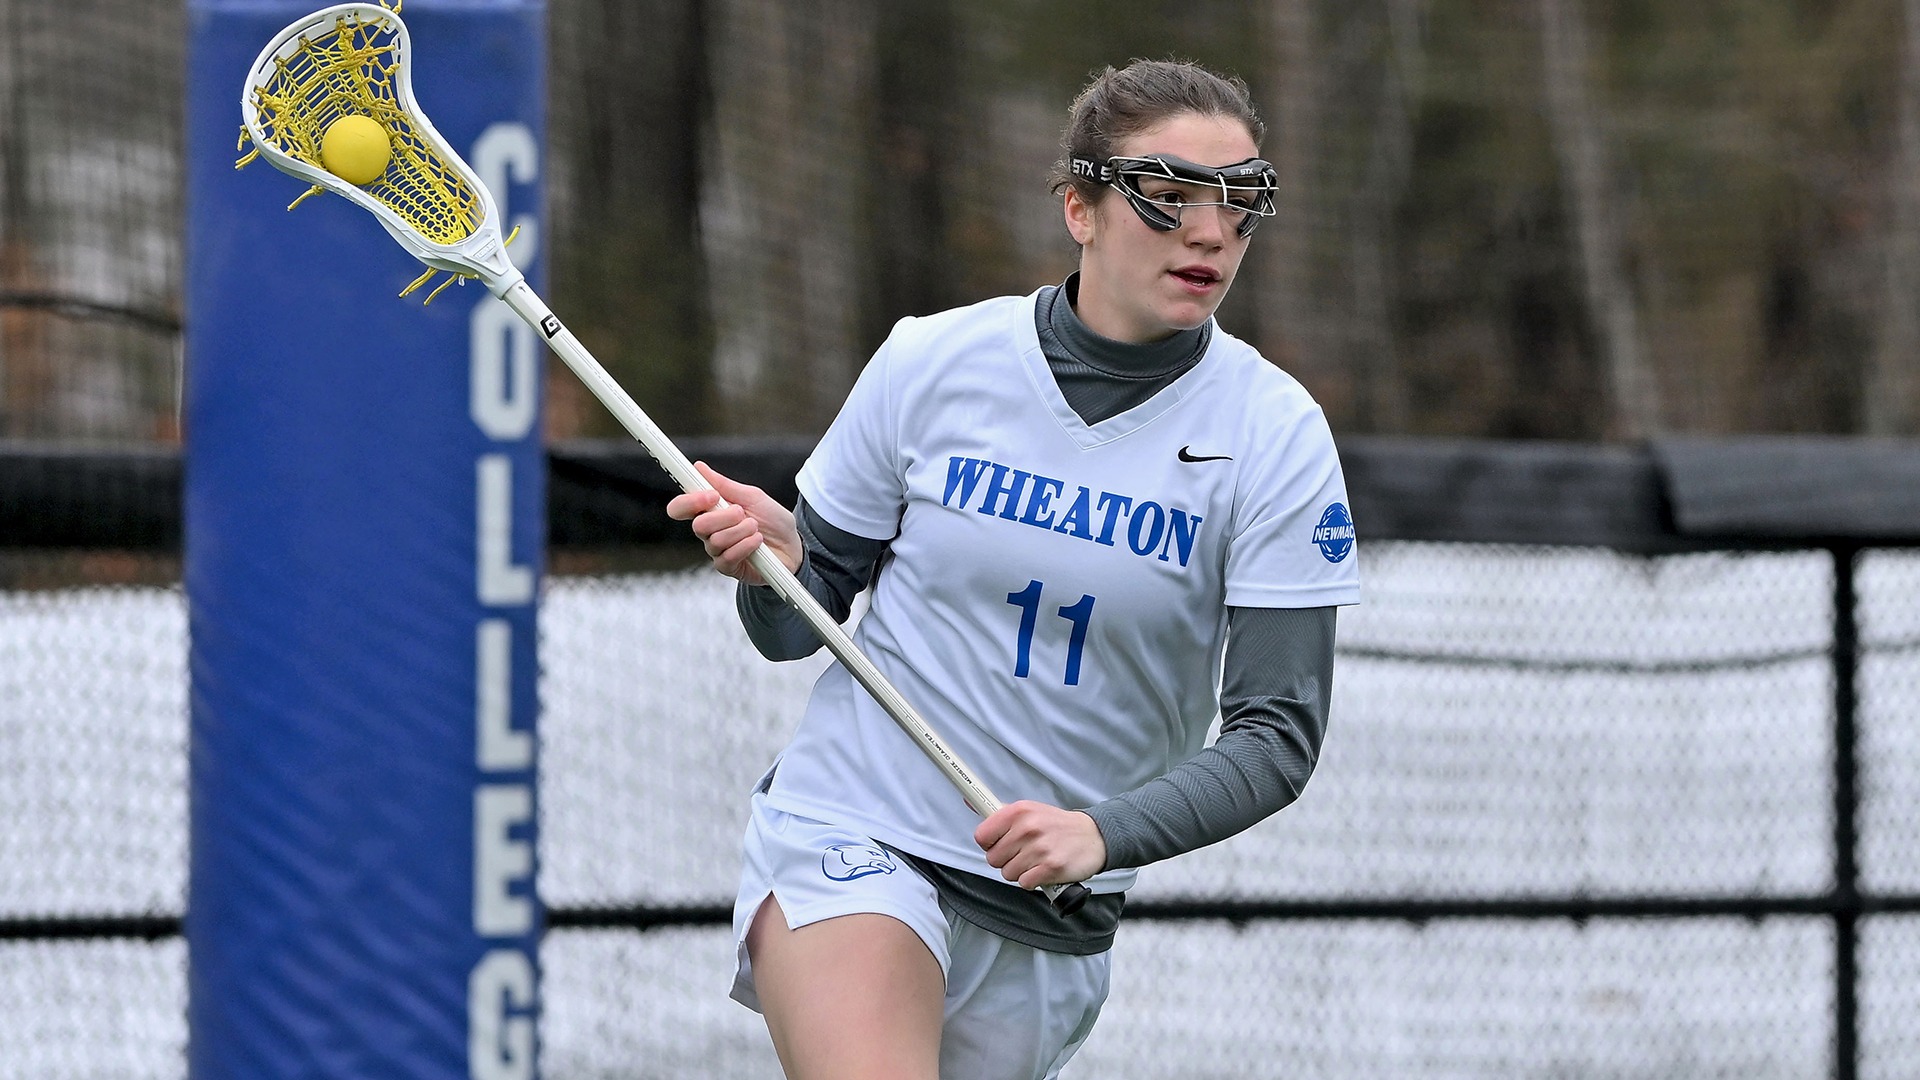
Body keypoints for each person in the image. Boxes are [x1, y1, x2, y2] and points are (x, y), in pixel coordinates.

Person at [667, 58, 1361, 1080]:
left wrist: (1104, 833)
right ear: (1079, 207)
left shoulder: (1275, 435)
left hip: (1054, 918)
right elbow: (789, 631)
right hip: (860, 831)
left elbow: (1277, 739)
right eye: (1167, 198)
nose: (1211, 233)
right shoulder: (932, 361)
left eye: (1241, 201)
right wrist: (775, 567)